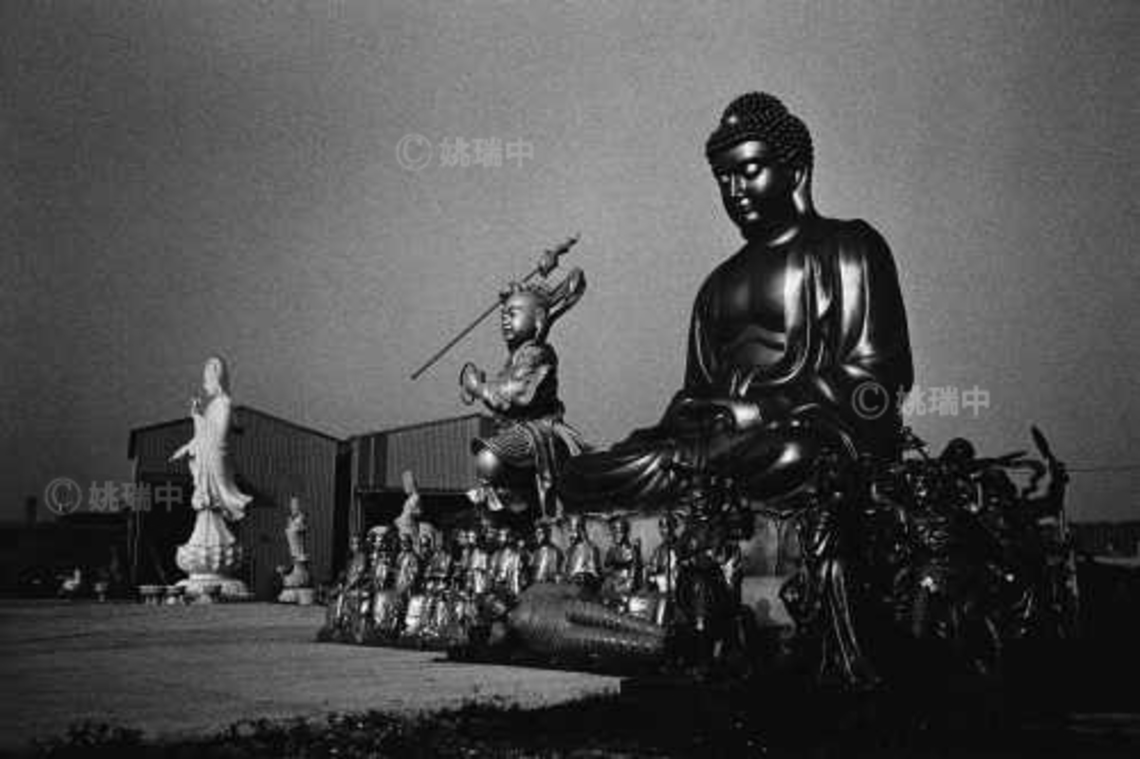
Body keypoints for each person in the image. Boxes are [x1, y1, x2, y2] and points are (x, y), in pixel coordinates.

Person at [561, 92, 913, 511]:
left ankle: (707, 482)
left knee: (795, 455)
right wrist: (691, 413)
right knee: (579, 474)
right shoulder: (717, 285)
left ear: (795, 170)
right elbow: (698, 392)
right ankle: (699, 481)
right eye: (723, 179)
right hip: (719, 444)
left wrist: (763, 410)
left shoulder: (848, 248)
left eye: (749, 171)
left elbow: (878, 380)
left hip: (799, 434)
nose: (735, 191)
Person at [461, 270, 588, 520]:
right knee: (488, 464)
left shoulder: (536, 354)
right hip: (519, 431)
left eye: (513, 313)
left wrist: (478, 387)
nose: (505, 321)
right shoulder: (516, 357)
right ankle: (511, 504)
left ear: (537, 319)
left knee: (488, 459)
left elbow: (514, 394)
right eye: (503, 315)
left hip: (540, 431)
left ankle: (516, 504)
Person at [171, 356, 251, 521]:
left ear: (218, 381)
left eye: (207, 381)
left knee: (213, 498)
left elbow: (218, 436)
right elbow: (204, 434)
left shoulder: (224, 404)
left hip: (215, 459)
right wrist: (197, 416)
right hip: (207, 457)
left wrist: (199, 425)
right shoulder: (212, 406)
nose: (204, 385)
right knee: (204, 501)